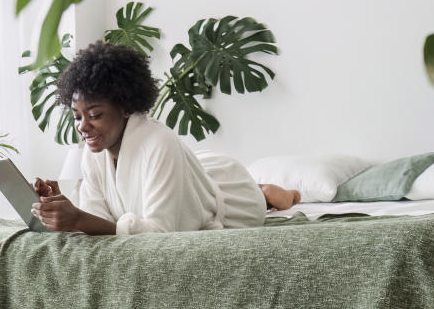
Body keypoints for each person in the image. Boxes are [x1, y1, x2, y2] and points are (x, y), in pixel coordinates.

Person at [31, 41, 301, 235]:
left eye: (95, 115)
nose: (83, 126)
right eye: (77, 116)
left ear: (126, 107)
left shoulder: (159, 142)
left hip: (230, 195)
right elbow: (99, 219)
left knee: (264, 196)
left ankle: (281, 192)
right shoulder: (93, 155)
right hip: (189, 174)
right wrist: (65, 209)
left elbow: (160, 231)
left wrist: (78, 218)